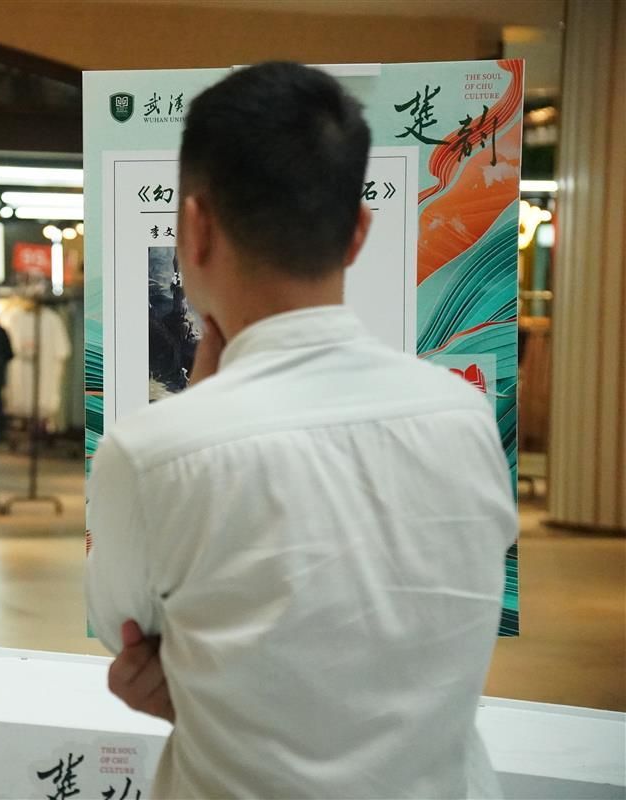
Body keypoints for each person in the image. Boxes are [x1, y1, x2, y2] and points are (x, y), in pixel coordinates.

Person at [85, 62, 516, 799]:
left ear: (195, 226)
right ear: (358, 232)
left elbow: (123, 633)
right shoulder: (464, 416)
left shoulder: (154, 454)